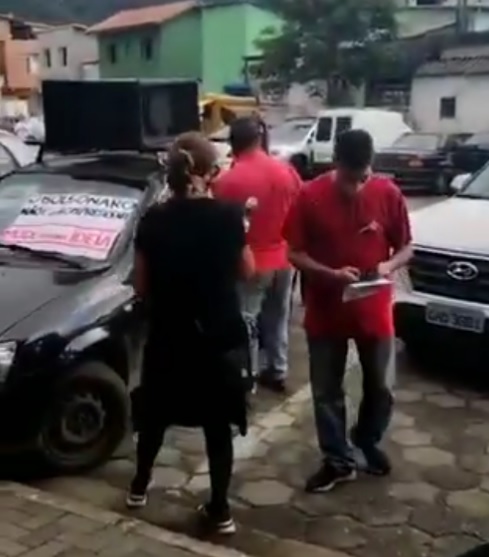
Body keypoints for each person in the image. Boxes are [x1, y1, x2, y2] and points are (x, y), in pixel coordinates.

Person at [127, 131, 255, 535]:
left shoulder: (153, 220)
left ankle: (138, 486)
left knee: (155, 416)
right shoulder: (230, 216)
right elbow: (248, 270)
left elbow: (141, 285)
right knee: (218, 427)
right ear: (208, 172)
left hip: (169, 336)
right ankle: (220, 510)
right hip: (216, 336)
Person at [283, 129, 413, 492]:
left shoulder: (388, 192)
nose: (357, 186)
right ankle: (338, 460)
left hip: (374, 309)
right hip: (326, 311)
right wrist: (330, 273)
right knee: (326, 391)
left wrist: (387, 267)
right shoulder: (310, 195)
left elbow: (406, 248)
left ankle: (366, 439)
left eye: (363, 178)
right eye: (350, 178)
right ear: (335, 162)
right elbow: (293, 252)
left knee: (382, 387)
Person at [214, 116, 301, 393]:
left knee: (247, 322)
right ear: (259, 139)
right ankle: (277, 369)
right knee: (278, 318)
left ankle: (247, 379)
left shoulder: (226, 181)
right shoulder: (286, 171)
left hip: (251, 261)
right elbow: (300, 210)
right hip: (284, 257)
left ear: (233, 144)